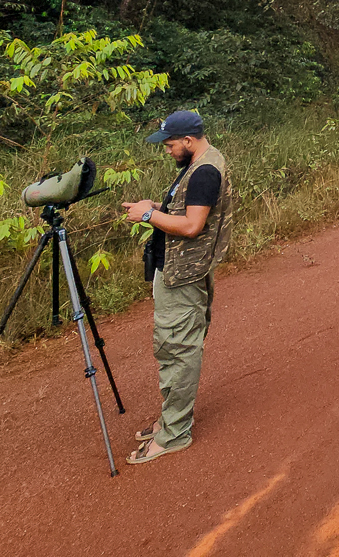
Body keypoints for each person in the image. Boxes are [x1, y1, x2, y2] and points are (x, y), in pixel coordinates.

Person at [120, 109, 236, 464]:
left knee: (178, 350)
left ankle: (174, 434)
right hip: (177, 269)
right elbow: (184, 209)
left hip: (183, 275)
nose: (167, 150)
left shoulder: (204, 172)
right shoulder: (199, 163)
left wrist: (146, 215)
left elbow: (191, 226)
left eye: (171, 145)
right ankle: (170, 420)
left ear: (188, 140)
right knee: (172, 348)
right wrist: (154, 206)